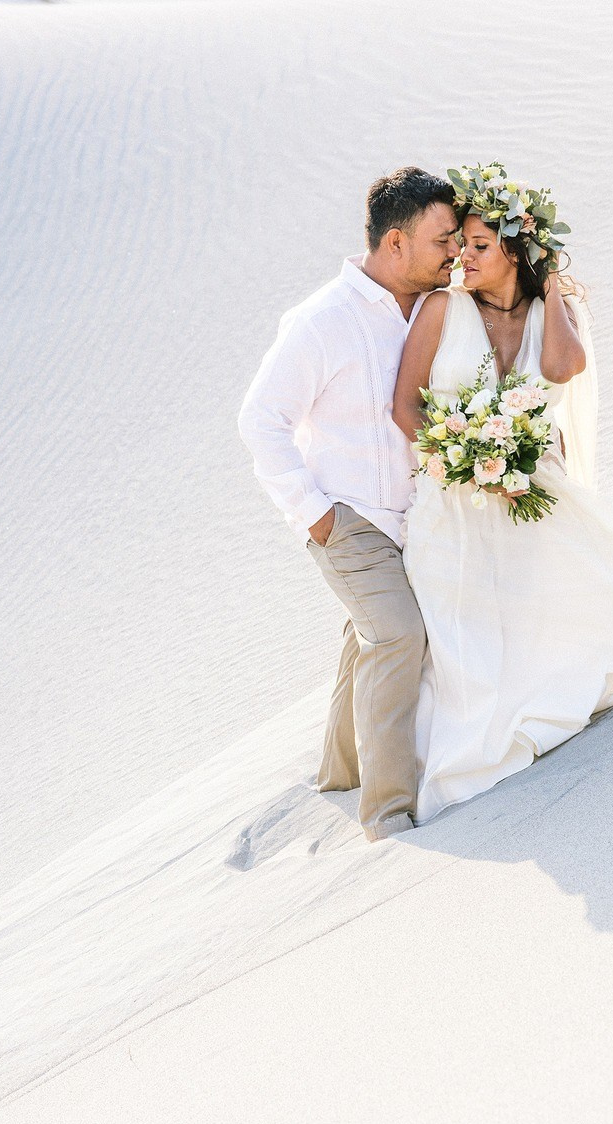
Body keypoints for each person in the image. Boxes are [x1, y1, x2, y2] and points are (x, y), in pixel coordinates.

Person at [393, 163, 613, 822]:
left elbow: (561, 367)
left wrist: (551, 288)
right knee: (462, 630)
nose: (464, 256)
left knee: (576, 607)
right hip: (451, 495)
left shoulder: (552, 313)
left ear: (517, 251)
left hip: (531, 488)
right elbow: (405, 403)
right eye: (462, 243)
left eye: (481, 245)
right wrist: (455, 461)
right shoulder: (443, 308)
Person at [238, 167, 460, 840]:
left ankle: (339, 771)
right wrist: (316, 515)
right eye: (440, 238)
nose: (453, 250)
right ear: (396, 243)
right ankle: (387, 815)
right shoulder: (321, 322)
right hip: (349, 517)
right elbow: (260, 419)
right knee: (397, 633)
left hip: (410, 519)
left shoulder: (426, 308)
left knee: (366, 632)